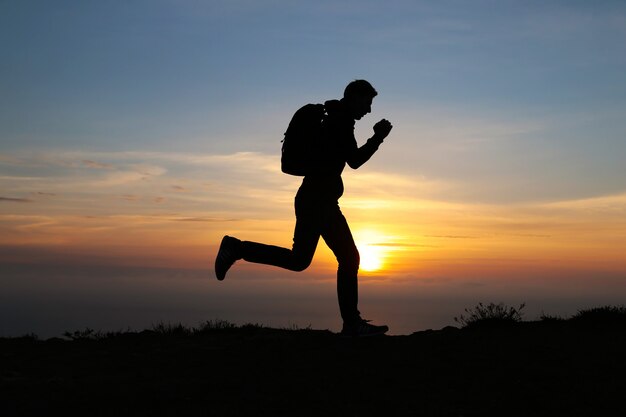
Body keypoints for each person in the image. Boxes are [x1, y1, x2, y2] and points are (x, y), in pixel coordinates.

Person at [215, 79, 393, 337]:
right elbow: (354, 161)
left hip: (313, 198)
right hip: (319, 201)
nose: (368, 110)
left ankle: (237, 247)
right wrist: (377, 138)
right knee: (349, 258)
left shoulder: (333, 117)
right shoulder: (340, 121)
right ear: (354, 98)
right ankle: (352, 324)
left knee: (300, 260)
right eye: (367, 102)